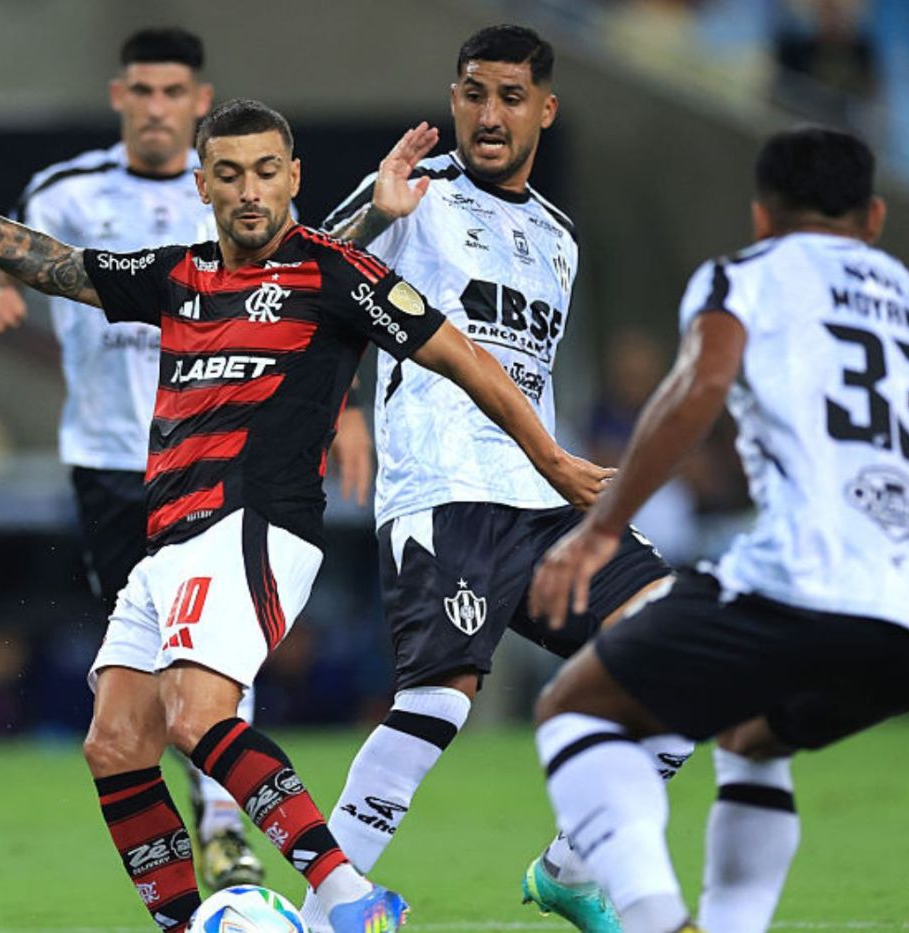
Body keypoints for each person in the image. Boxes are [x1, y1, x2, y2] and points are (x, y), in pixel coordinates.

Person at [0, 97, 607, 933]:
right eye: (232, 174)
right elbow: (52, 264)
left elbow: (463, 356)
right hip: (167, 543)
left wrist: (554, 459)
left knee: (197, 714)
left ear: (295, 179)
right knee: (116, 743)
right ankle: (184, 924)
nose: (251, 191)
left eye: (268, 172)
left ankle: (352, 902)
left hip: (253, 528)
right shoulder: (179, 274)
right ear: (202, 183)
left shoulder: (335, 273)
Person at [529, 126, 909, 933]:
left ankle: (656, 921)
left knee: (573, 710)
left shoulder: (747, 276)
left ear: (761, 216)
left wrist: (603, 525)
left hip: (803, 579)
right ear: (873, 217)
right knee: (751, 740)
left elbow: (701, 384)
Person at [307, 24, 687, 931]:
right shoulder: (410, 194)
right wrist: (372, 221)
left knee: (680, 650)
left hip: (544, 496)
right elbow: (297, 279)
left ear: (544, 111)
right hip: (444, 486)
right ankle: (326, 909)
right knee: (439, 699)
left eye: (511, 97)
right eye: (474, 93)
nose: (489, 113)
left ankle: (570, 864)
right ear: (452, 100)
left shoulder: (560, 237)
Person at [0, 26, 344, 890]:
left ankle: (224, 821)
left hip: (235, 460)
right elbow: (22, 260)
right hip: (113, 460)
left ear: (199, 102)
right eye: (143, 91)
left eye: (174, 92)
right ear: (119, 97)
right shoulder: (67, 190)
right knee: (143, 675)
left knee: (211, 649)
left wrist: (345, 414)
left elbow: (308, 300)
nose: (158, 107)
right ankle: (218, 841)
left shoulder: (230, 185)